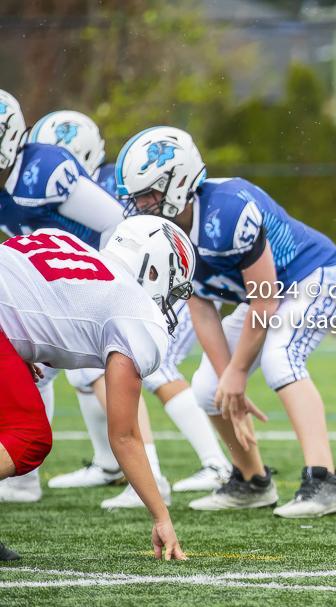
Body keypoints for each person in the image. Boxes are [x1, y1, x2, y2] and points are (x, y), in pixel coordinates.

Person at [116, 126, 336, 517]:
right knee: (210, 388)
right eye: (136, 196)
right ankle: (252, 481)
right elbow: (202, 307)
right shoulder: (167, 228)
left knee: (281, 358)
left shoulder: (227, 210)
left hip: (313, 276)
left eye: (148, 193)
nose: (140, 204)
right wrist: (230, 380)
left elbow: (265, 298)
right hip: (264, 294)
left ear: (178, 183)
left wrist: (240, 372)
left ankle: (325, 480)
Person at [28, 110, 232, 499]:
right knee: (80, 371)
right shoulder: (72, 190)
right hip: (128, 289)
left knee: (150, 366)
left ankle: (212, 465)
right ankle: (108, 465)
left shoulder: (103, 188)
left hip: (166, 288)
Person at [0, 215, 194, 560]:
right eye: (172, 287)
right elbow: (124, 436)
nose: (169, 300)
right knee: (29, 436)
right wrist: (161, 516)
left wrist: (18, 344)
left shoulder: (63, 240)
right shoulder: (135, 311)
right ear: (154, 272)